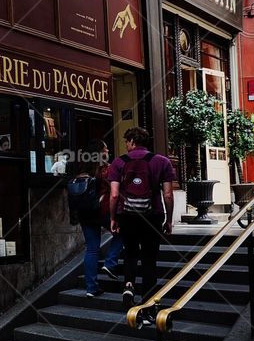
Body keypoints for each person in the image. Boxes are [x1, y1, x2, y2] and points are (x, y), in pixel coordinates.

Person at [108, 127, 175, 320]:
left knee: (129, 253)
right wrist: (169, 220)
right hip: (152, 214)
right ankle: (148, 308)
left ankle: (129, 285)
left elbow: (114, 195)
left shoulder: (118, 162)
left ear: (131, 141)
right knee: (149, 260)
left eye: (127, 142)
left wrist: (113, 218)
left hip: (127, 215)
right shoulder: (162, 161)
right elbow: (168, 195)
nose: (126, 145)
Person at [70, 140, 124, 297]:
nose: (108, 151)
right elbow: (115, 192)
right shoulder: (107, 170)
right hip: (102, 211)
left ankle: (91, 288)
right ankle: (110, 262)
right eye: (106, 149)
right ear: (100, 152)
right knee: (123, 232)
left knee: (92, 249)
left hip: (84, 213)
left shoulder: (81, 171)